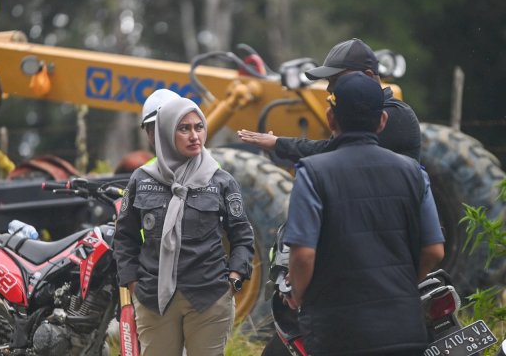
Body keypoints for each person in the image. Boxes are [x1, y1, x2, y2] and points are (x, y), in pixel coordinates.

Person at [283, 72, 444, 356]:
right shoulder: (413, 173)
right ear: (382, 121)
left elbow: (303, 255)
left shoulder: (312, 173)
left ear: (331, 118)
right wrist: (404, 286)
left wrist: (299, 295)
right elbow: (434, 250)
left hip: (337, 332)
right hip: (404, 329)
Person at [114, 95, 255, 356]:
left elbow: (243, 237)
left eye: (198, 127)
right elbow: (124, 237)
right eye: (184, 128)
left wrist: (233, 281)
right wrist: (133, 283)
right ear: (166, 132)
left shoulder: (221, 181)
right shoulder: (141, 180)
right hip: (153, 299)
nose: (194, 136)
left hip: (210, 297)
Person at [238, 38, 421, 162]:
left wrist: (279, 144)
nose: (328, 89)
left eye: (336, 80)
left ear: (367, 76)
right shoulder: (364, 114)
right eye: (328, 81)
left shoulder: (395, 115)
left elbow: (332, 151)